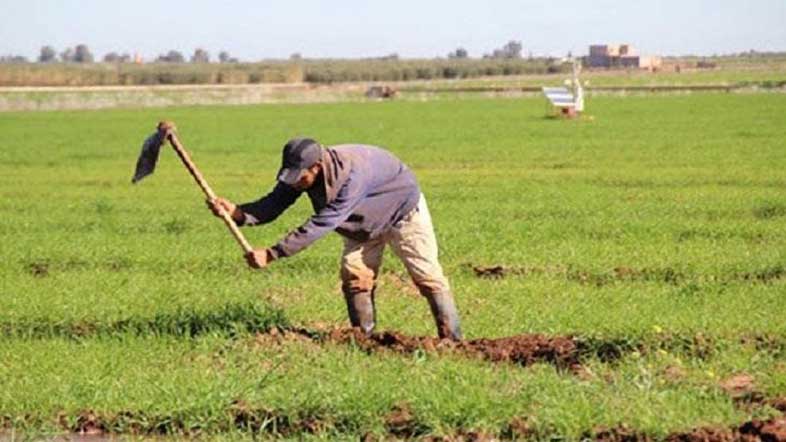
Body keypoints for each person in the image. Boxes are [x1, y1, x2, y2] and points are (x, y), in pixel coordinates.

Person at [207, 138, 462, 340]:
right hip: (360, 224)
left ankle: (453, 341)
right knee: (355, 276)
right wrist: (238, 213)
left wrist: (274, 253)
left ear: (316, 168)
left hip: (402, 213)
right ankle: (364, 339)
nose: (295, 183)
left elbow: (323, 222)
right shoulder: (299, 175)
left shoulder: (351, 174)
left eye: (300, 178)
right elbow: (273, 204)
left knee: (426, 275)